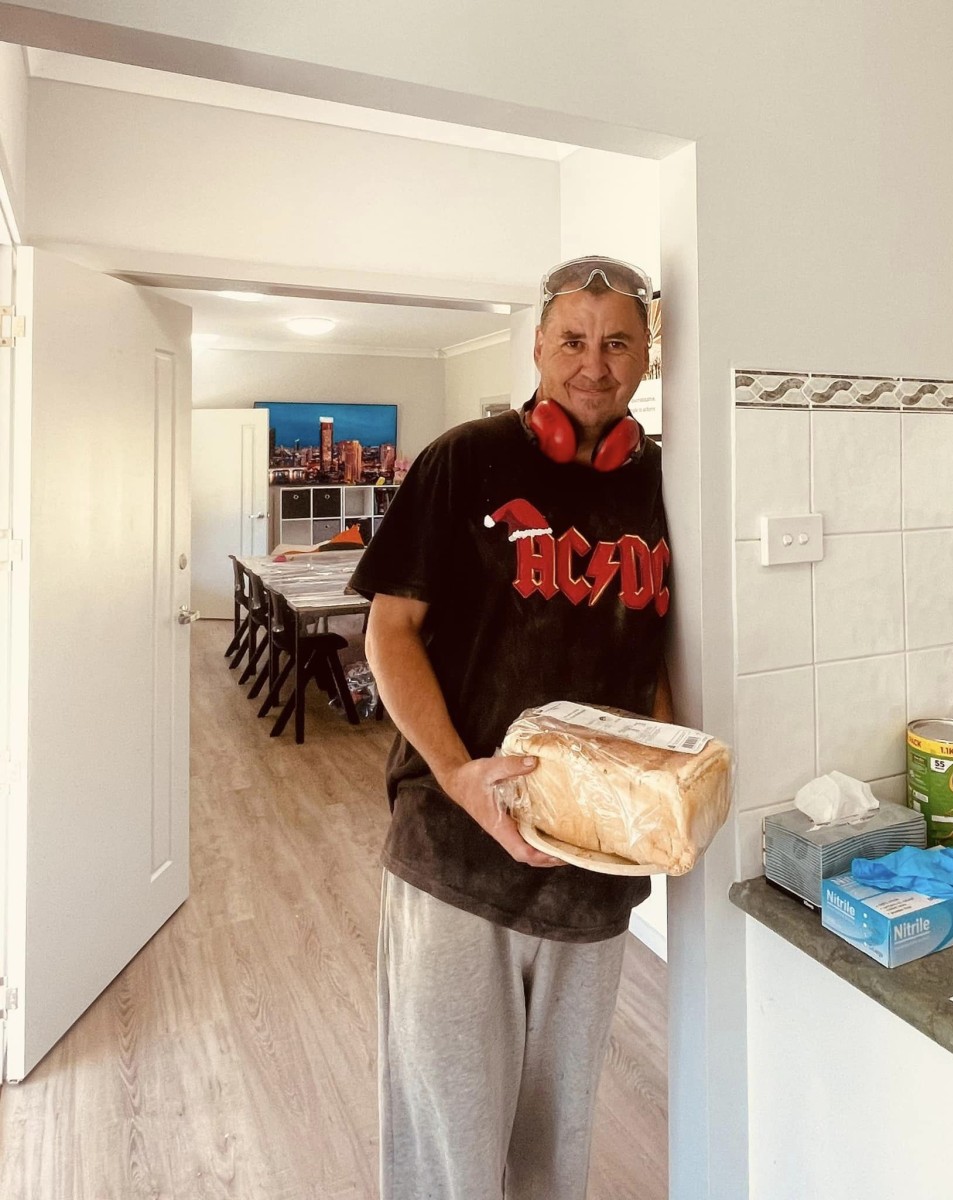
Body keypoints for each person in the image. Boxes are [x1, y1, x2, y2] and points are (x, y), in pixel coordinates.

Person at [351, 253, 673, 1200]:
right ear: (536, 347)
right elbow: (389, 633)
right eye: (572, 340)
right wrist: (456, 775)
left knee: (554, 1143)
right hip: (456, 850)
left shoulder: (665, 482)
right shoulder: (463, 460)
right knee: (447, 1142)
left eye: (618, 344)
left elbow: (658, 658)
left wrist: (668, 787)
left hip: (593, 866)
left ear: (647, 357)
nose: (593, 365)